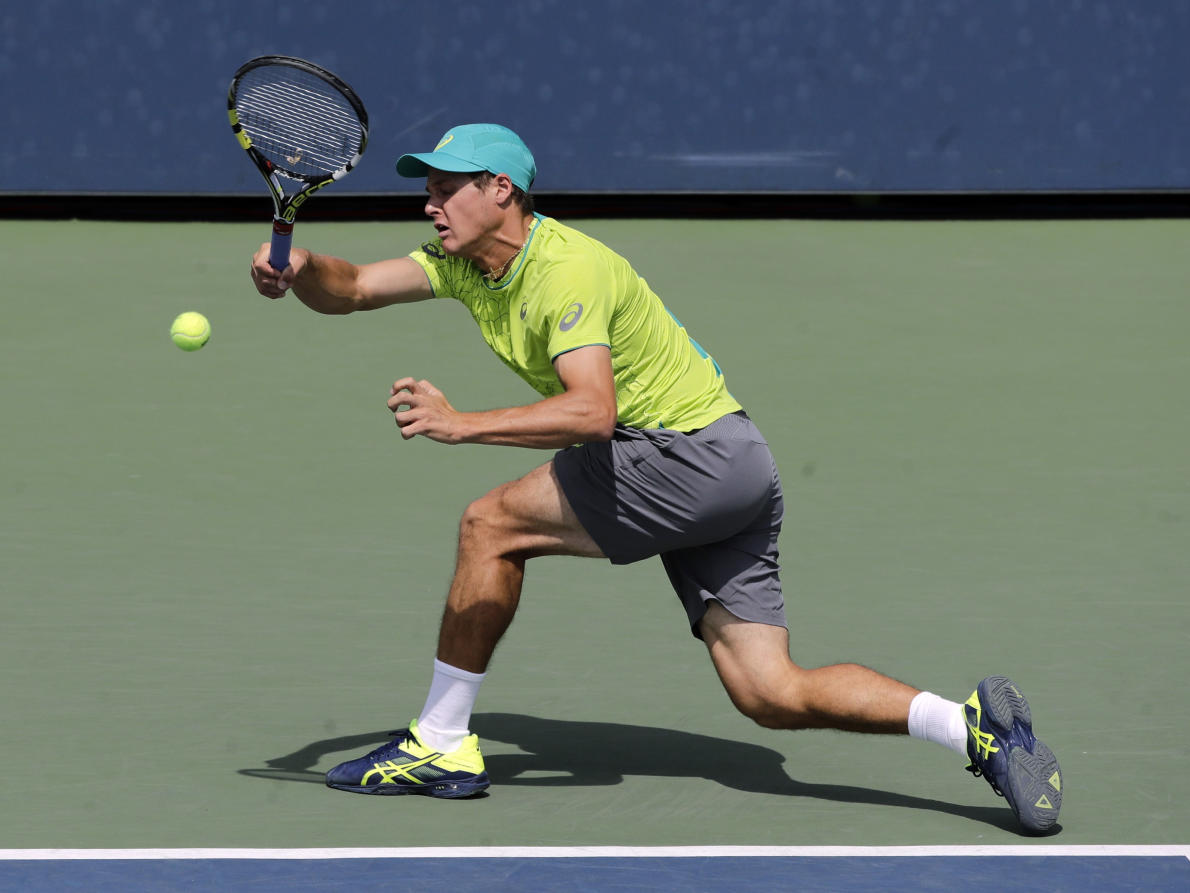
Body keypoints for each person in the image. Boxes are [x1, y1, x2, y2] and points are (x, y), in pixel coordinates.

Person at [249, 123, 1062, 834]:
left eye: (445, 188)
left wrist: (462, 423)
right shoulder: (467, 264)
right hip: (738, 464)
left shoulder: (566, 270)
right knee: (769, 691)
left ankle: (439, 743)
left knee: (489, 523)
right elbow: (352, 289)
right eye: (426, 189)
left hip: (685, 456)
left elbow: (590, 413)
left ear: (502, 191)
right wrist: (301, 264)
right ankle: (973, 730)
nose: (430, 203)